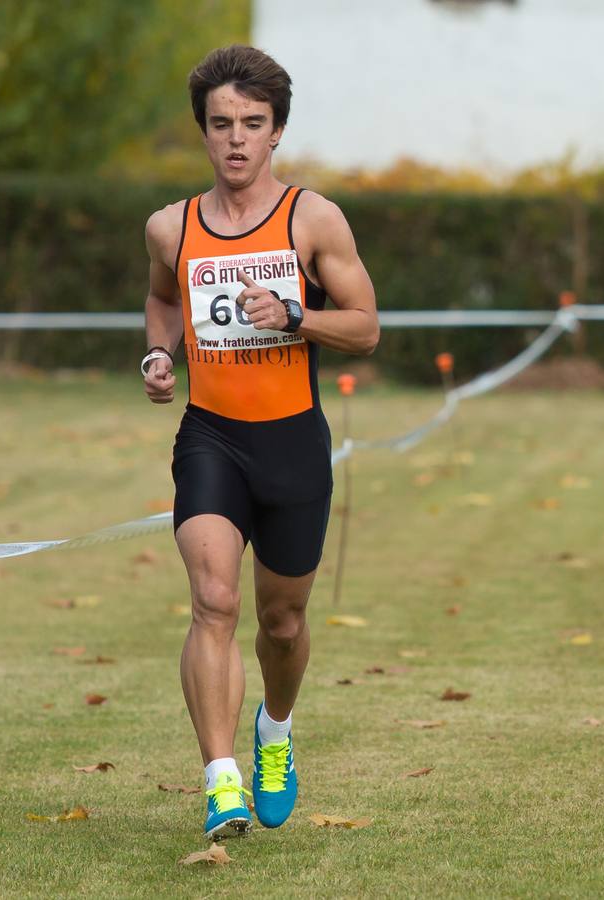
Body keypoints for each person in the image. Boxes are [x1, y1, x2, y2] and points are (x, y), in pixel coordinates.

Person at [140, 45, 379, 840]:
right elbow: (161, 299)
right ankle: (220, 782)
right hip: (211, 437)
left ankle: (273, 732)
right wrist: (157, 352)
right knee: (213, 598)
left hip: (293, 444)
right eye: (220, 125)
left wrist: (295, 314)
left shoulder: (311, 218)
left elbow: (367, 327)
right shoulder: (170, 226)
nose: (235, 140)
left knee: (281, 622)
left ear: (276, 132)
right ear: (202, 134)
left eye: (251, 124)